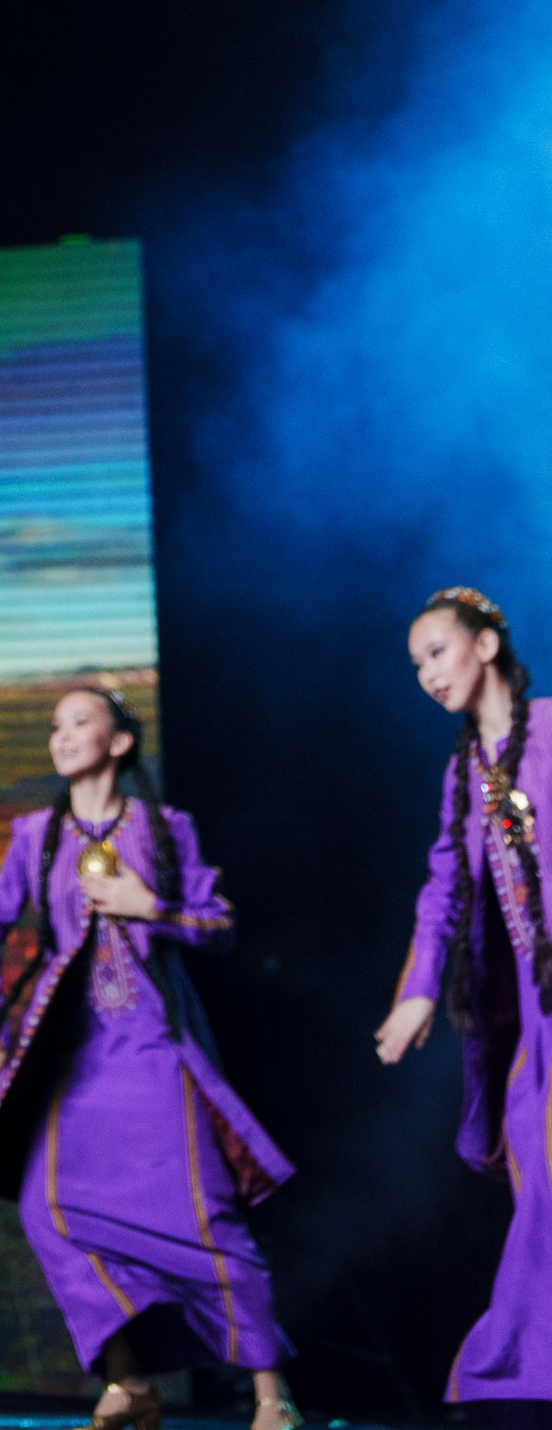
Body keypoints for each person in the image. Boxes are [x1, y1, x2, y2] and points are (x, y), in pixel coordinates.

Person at [0, 687, 297, 1430]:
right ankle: (127, 1379)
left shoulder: (165, 829)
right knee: (48, 1210)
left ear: (118, 741)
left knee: (206, 1218)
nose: (62, 735)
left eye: (79, 721)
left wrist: (153, 909)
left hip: (152, 1052)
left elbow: (219, 926)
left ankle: (272, 1397)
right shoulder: (34, 835)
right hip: (69, 1060)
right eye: (55, 725)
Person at [375, 586, 551, 1421]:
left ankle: (508, 1373)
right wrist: (417, 993)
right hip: (535, 1018)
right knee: (538, 1183)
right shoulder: (464, 773)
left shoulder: (551, 729)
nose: (427, 674)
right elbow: (444, 890)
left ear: (485, 645)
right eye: (416, 665)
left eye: (437, 652)